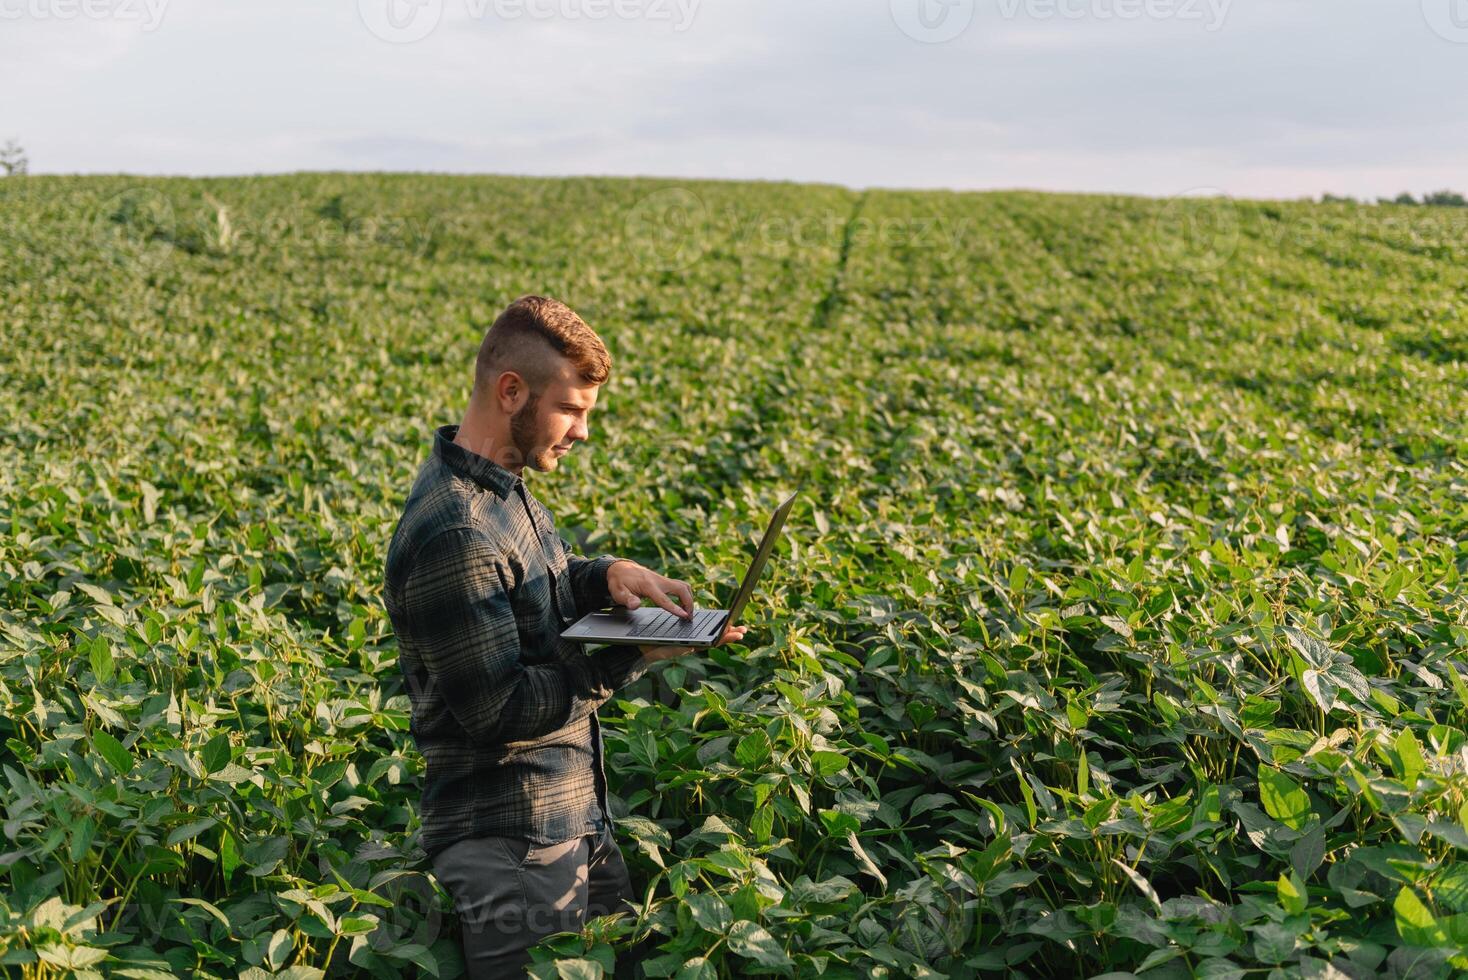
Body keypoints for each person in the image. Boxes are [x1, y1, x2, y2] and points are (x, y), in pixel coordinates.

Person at [382, 295, 748, 977]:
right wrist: (635, 655)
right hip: (510, 841)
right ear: (511, 390)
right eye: (572, 410)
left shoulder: (500, 487)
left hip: (567, 814)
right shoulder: (456, 532)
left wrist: (608, 575)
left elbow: (532, 581)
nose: (582, 432)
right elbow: (499, 712)